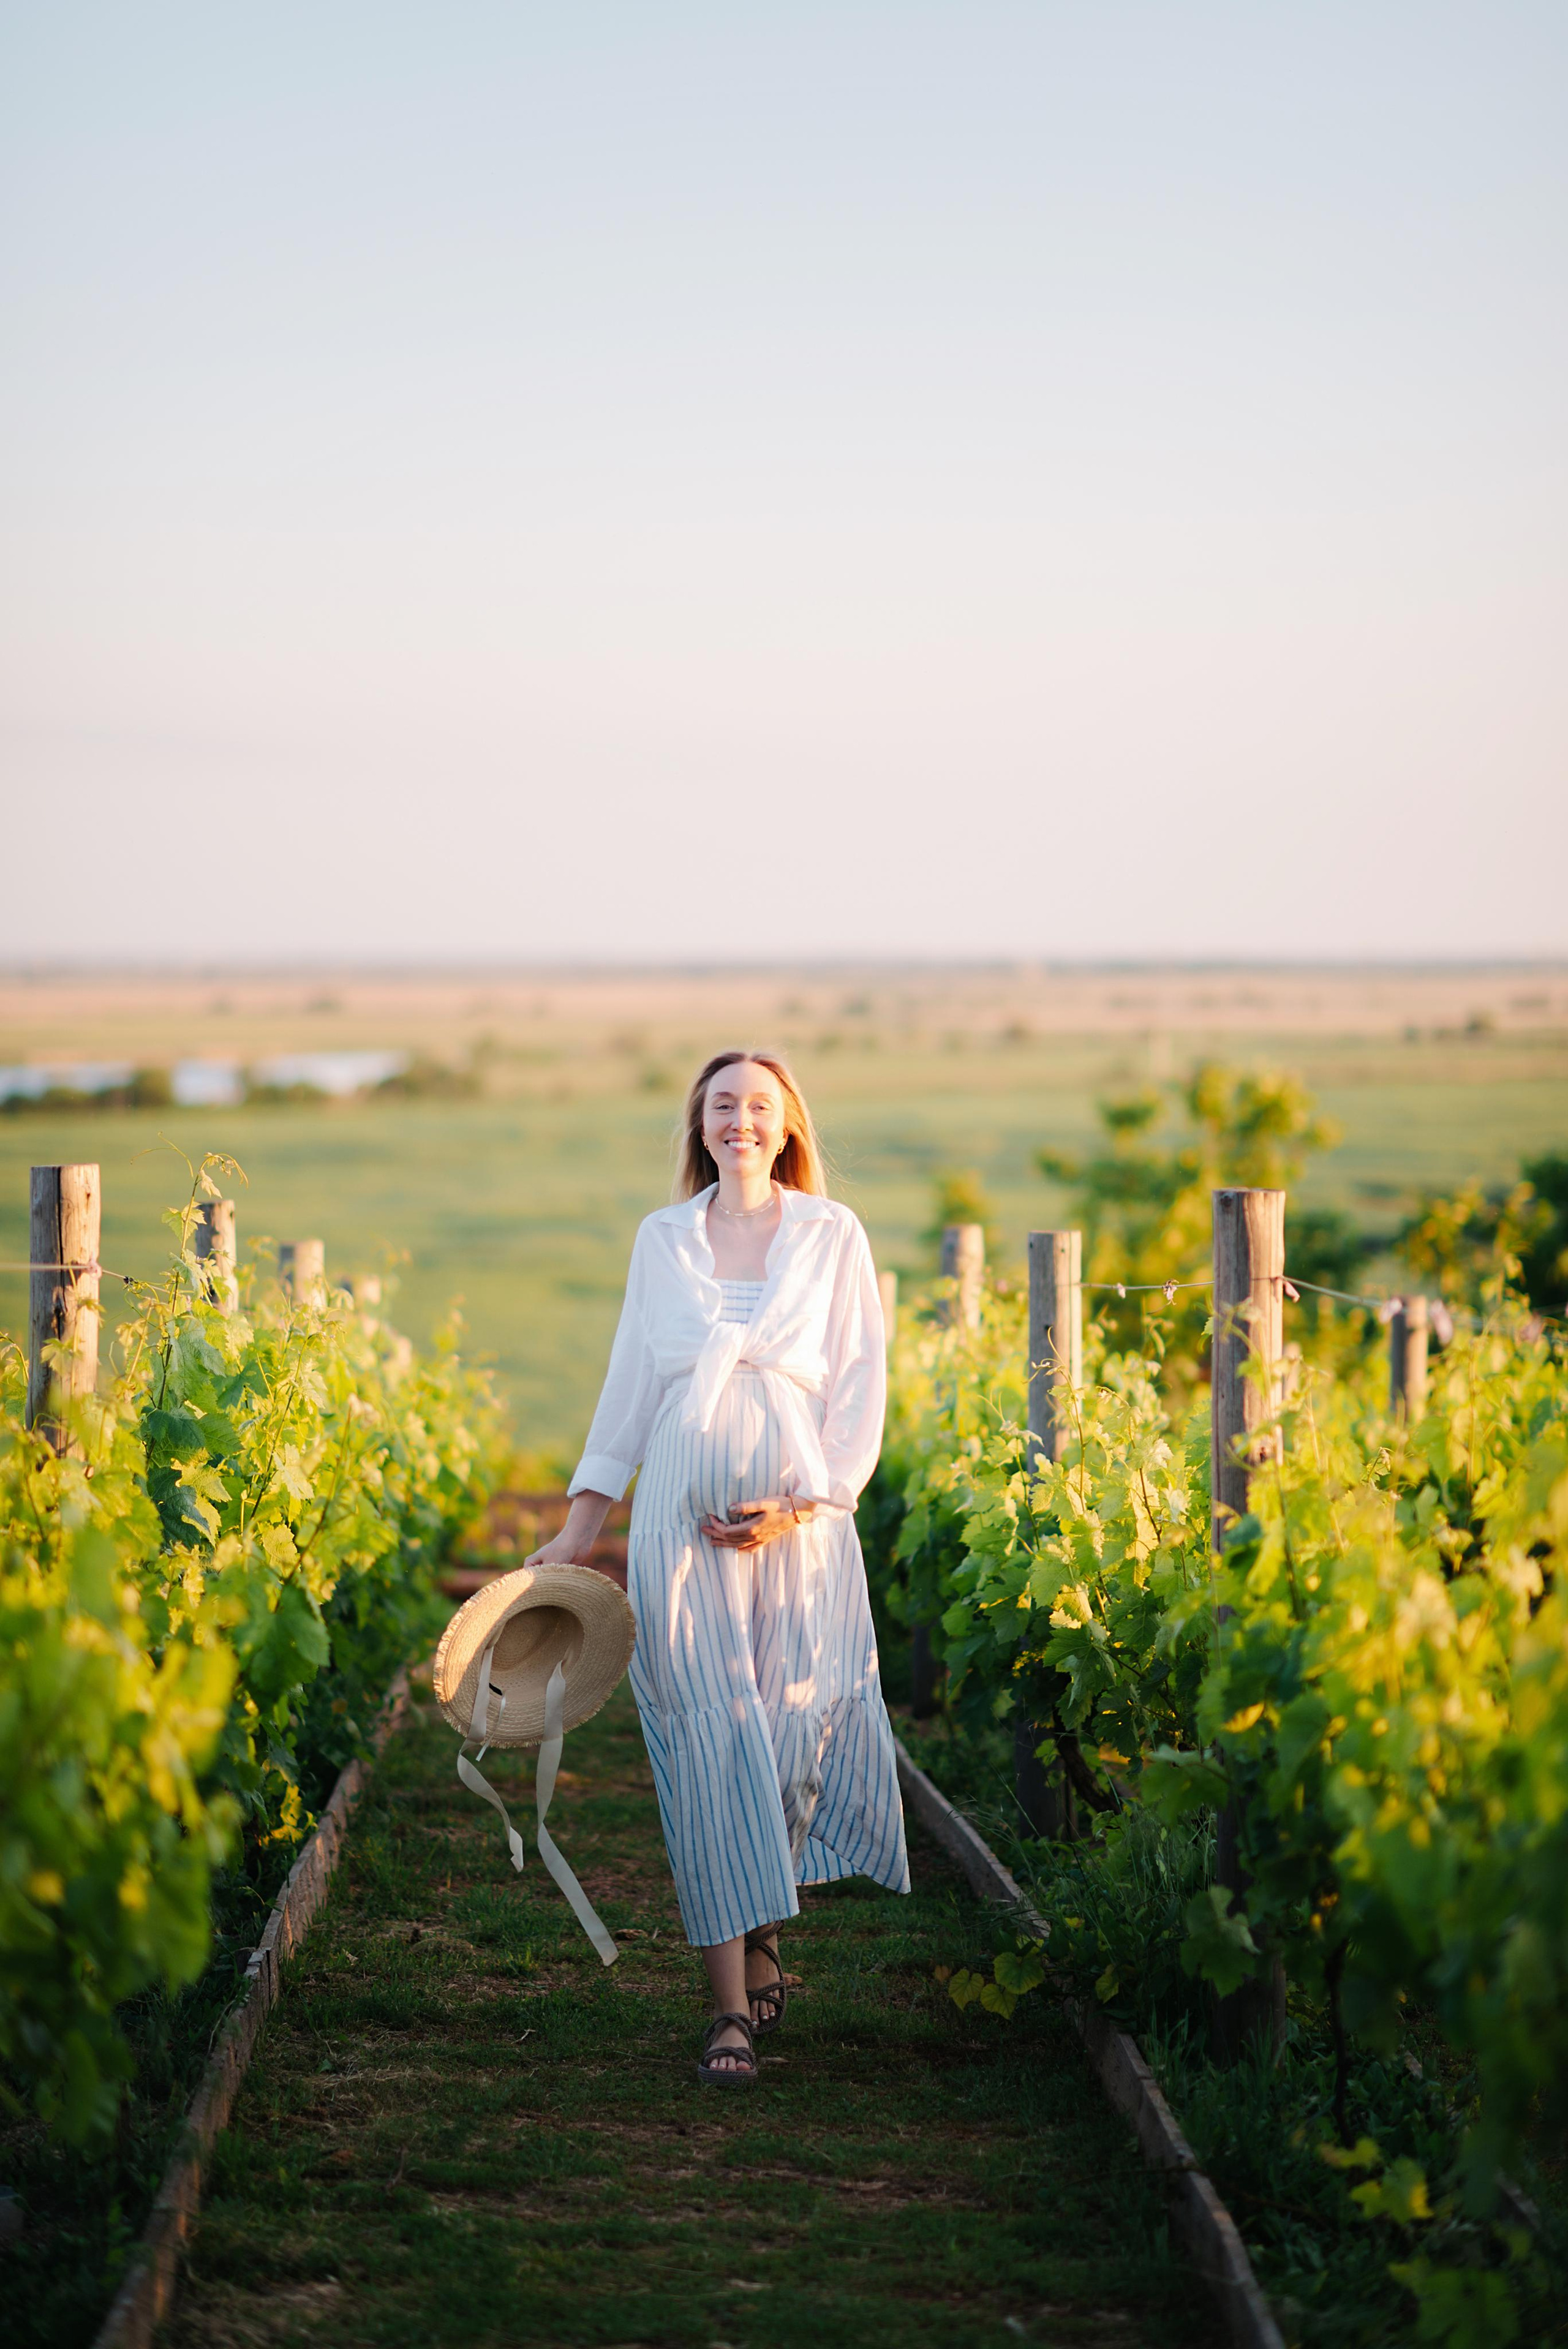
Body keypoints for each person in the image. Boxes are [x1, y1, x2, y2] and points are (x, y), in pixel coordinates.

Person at [525, 1049, 910, 2084]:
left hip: (804, 1531)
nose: (740, 1121)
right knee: (706, 1749)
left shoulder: (833, 1235)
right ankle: (728, 2013)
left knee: (794, 1730)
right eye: (721, 1106)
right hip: (680, 1537)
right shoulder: (664, 1240)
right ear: (699, 1127)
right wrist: (579, 1527)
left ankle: (766, 1917)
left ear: (789, 1129)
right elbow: (629, 1390)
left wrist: (809, 1500)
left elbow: (861, 1381)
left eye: (759, 1107)